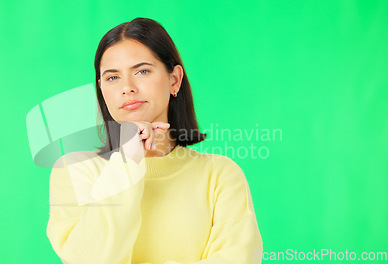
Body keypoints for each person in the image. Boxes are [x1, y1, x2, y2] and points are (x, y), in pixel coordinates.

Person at [46, 17, 263, 264]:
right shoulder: (75, 169)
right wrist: (127, 160)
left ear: (174, 80)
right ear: (102, 89)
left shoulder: (220, 175)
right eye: (112, 77)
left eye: (142, 71)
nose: (127, 87)